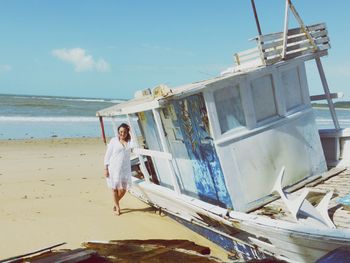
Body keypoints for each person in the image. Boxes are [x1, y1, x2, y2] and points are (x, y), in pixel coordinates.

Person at [104, 123, 132, 215]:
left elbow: (135, 142)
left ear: (127, 132)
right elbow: (107, 155)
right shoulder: (114, 141)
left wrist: (130, 130)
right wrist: (106, 168)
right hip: (113, 168)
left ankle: (115, 203)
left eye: (124, 132)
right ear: (118, 132)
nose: (122, 134)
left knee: (123, 189)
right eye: (120, 132)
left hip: (125, 169)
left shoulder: (129, 142)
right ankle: (117, 207)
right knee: (114, 188)